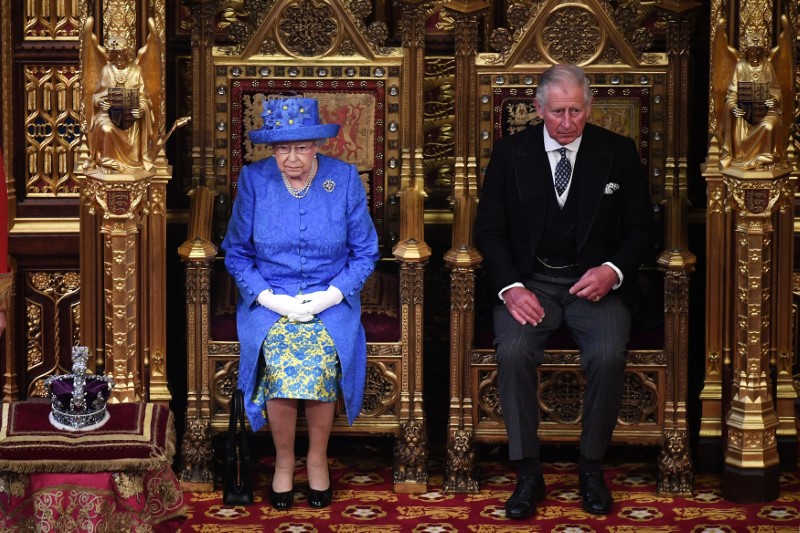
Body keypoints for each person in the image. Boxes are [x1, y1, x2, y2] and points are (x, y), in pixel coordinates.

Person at [473, 64, 653, 519]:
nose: (568, 122)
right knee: (513, 351)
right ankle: (527, 471)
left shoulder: (618, 152)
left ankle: (591, 467)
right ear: (538, 109)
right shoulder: (510, 153)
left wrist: (612, 271)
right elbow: (489, 232)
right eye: (557, 112)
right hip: (530, 284)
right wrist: (511, 288)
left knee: (610, 351)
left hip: (594, 286)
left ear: (590, 108)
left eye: (576, 110)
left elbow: (640, 230)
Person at [222, 97, 379, 510]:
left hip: (331, 299)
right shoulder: (254, 180)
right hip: (270, 299)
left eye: (301, 147)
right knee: (278, 355)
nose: (291, 158)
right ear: (272, 150)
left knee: (323, 353)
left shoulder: (343, 179)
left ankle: (316, 458)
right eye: (281, 149)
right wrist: (269, 298)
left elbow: (366, 252)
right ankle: (285, 461)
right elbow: (236, 253)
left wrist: (332, 295)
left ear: (316, 146)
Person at [87, 35, 156, 172]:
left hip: (130, 115)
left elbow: (144, 97)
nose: (119, 59)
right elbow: (96, 95)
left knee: (134, 124)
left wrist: (141, 109)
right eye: (115, 56)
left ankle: (134, 161)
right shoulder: (106, 70)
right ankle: (107, 162)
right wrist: (100, 103)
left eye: (122, 56)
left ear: (127, 55)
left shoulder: (136, 71)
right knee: (105, 128)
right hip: (108, 114)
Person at [721, 31, 783, 169]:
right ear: (746, 51)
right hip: (744, 114)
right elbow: (732, 94)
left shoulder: (767, 66)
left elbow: (775, 91)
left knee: (769, 126)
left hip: (765, 112)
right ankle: (742, 157)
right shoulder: (740, 67)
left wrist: (773, 100)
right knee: (739, 125)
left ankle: (765, 159)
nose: (755, 56)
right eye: (752, 52)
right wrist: (733, 107)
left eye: (758, 52)